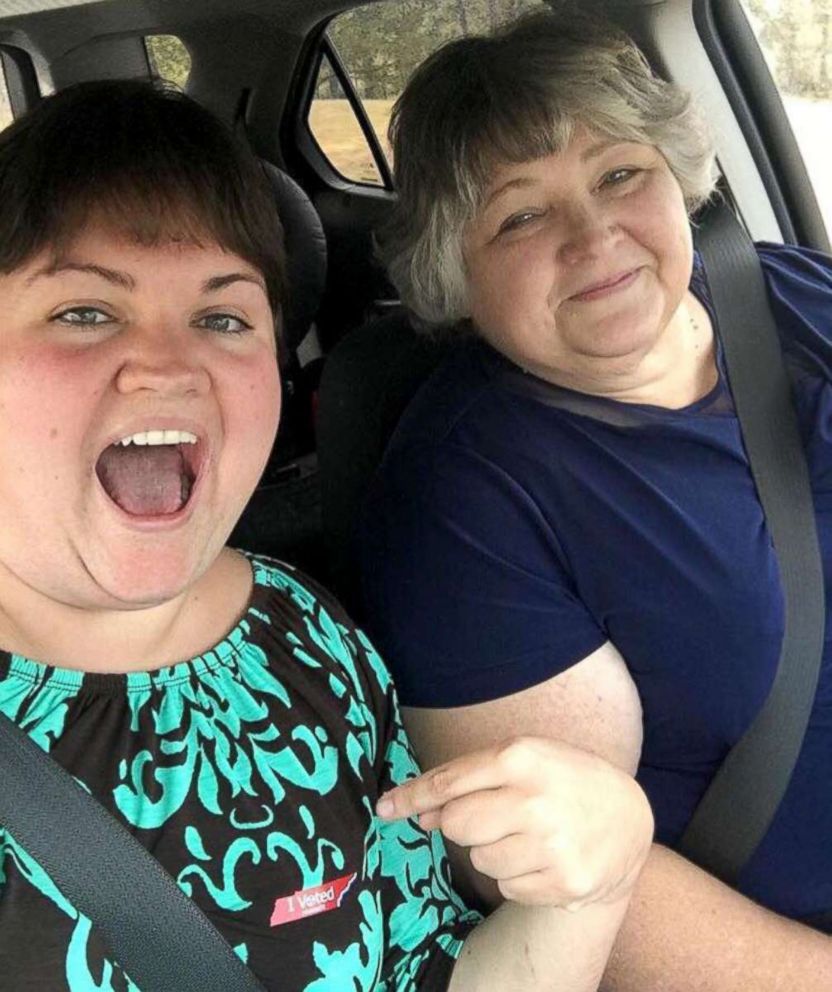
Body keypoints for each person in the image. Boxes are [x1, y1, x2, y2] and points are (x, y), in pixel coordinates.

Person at [0, 79, 654, 991]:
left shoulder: (303, 633)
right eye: (84, 312)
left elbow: (425, 967)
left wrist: (597, 886)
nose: (167, 366)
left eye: (222, 317)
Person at [359, 8, 832, 991]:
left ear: (676, 177)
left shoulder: (800, 296)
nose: (595, 235)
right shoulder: (463, 499)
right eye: (520, 214)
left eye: (620, 174)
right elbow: (580, 884)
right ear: (453, 264)